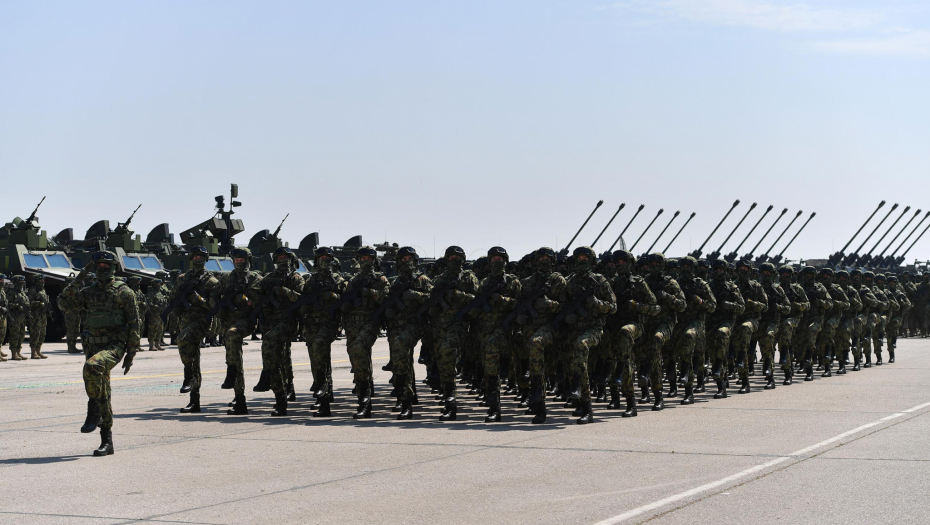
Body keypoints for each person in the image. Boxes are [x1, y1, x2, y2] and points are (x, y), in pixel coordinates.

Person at [59, 251, 140, 456]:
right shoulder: (88, 292)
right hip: (92, 345)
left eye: (106, 265)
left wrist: (130, 353)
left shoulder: (124, 293)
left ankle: (93, 408)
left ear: (114, 268)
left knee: (92, 366)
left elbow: (134, 324)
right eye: (98, 265)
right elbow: (64, 303)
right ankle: (107, 440)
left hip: (114, 345)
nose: (102, 268)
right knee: (103, 389)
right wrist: (81, 276)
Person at [558, 246, 617, 424]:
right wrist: (566, 315)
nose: (582, 261)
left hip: (594, 328)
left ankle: (588, 409)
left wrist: (598, 303)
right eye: (579, 258)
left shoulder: (600, 281)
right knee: (574, 365)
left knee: (581, 346)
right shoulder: (569, 281)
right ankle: (580, 401)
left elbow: (613, 307)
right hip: (574, 329)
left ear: (591, 261)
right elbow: (561, 304)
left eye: (585, 258)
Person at [168, 246, 219, 413]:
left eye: (201, 257)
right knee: (194, 358)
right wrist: (177, 306)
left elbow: (215, 305)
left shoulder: (211, 281)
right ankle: (194, 401)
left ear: (206, 259)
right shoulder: (183, 278)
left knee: (182, 339)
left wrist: (199, 300)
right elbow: (174, 297)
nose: (198, 259)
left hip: (201, 321)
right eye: (195, 257)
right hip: (186, 320)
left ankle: (187, 375)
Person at [212, 248, 262, 415]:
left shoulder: (254, 278)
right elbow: (215, 294)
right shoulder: (227, 278)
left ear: (248, 260)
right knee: (233, 357)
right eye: (236, 259)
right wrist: (219, 308)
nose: (239, 261)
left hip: (246, 321)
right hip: (228, 322)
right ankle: (239, 398)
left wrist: (245, 300)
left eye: (242, 259)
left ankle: (231, 374)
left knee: (233, 336)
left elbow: (258, 300)